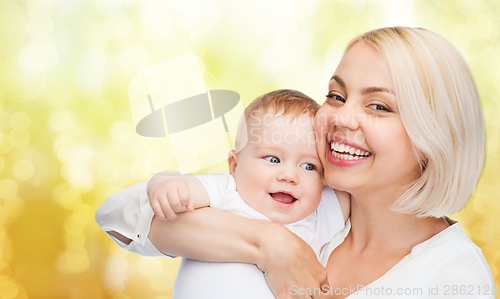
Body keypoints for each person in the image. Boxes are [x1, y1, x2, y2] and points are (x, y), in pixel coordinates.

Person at [96, 27, 495, 299]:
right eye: (336, 96)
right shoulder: (302, 197)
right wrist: (269, 244)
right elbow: (123, 216)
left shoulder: (454, 278)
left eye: (378, 106)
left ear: (436, 133)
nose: (341, 117)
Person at [96, 89, 350, 298]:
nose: (289, 175)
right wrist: (163, 182)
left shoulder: (316, 217)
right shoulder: (226, 191)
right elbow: (174, 191)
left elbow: (362, 191)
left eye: (309, 166)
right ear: (234, 165)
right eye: (273, 159)